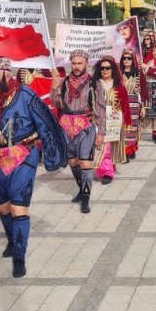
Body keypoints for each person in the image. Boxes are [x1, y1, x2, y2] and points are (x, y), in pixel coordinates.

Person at [0, 56, 66, 278]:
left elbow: (46, 124)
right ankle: (11, 240)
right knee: (2, 207)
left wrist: (52, 155)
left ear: (6, 75)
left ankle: (19, 256)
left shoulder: (26, 96)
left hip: (23, 155)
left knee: (19, 208)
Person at [50, 50, 96, 213]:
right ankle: (80, 189)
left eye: (79, 63)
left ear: (86, 63)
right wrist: (54, 88)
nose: (76, 67)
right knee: (73, 162)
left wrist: (102, 132)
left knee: (85, 162)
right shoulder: (63, 82)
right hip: (66, 126)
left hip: (85, 126)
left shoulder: (93, 83)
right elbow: (57, 104)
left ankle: (86, 197)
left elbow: (102, 108)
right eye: (74, 63)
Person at [90, 56, 131, 184]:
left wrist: (128, 123)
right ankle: (106, 171)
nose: (105, 70)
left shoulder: (119, 88)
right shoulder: (94, 87)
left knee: (110, 147)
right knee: (102, 146)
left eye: (108, 68)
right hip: (99, 120)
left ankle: (108, 171)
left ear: (112, 70)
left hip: (115, 122)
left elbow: (125, 106)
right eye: (102, 68)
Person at [119, 49, 148, 160]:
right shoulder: (118, 73)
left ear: (133, 60)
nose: (126, 60)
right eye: (124, 58)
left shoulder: (138, 73)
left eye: (129, 58)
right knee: (122, 128)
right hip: (121, 104)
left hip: (134, 103)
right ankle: (124, 151)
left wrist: (143, 107)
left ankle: (130, 149)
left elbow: (143, 91)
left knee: (132, 128)